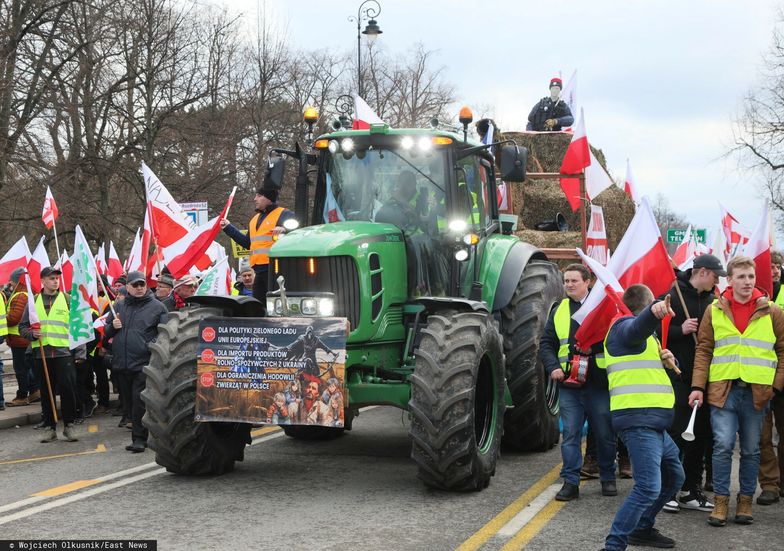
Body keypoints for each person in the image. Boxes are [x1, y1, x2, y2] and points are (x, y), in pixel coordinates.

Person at [690, 256, 784, 527]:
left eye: (751, 277)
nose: (747, 282)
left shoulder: (773, 312)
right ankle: (721, 501)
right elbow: (704, 349)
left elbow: (782, 351)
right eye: (741, 277)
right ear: (729, 280)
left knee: (753, 450)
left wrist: (776, 385)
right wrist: (698, 386)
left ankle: (745, 501)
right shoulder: (714, 310)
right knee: (722, 446)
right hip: (723, 390)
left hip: (758, 393)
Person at [602, 285, 684, 551]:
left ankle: (642, 528)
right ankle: (614, 546)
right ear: (648, 303)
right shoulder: (622, 328)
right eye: (654, 303)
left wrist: (668, 362)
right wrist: (654, 313)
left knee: (674, 478)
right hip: (639, 422)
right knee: (648, 487)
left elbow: (646, 372)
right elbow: (635, 329)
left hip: (654, 422)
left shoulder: (648, 339)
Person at [540, 263, 617, 501]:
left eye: (574, 281)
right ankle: (571, 482)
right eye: (566, 281)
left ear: (588, 282)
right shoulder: (560, 309)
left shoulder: (603, 308)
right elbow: (547, 343)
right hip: (569, 384)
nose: (569, 285)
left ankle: (607, 477)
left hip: (598, 383)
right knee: (571, 434)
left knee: (604, 433)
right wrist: (553, 367)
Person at [659, 254, 723, 514]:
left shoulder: (713, 300)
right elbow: (655, 332)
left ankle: (690, 490)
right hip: (677, 376)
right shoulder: (671, 294)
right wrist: (679, 329)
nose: (718, 281)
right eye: (716, 275)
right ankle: (667, 490)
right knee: (676, 432)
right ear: (703, 272)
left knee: (700, 435)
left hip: (705, 378)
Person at [103, 270, 168, 453]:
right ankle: (139, 435)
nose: (139, 288)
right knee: (128, 403)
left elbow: (164, 335)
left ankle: (140, 439)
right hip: (121, 363)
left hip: (144, 363)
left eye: (142, 284)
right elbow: (106, 333)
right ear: (128, 287)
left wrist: (149, 346)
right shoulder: (119, 306)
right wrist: (111, 327)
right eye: (135, 285)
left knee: (139, 400)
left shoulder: (158, 307)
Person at [18, 266, 84, 443]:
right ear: (43, 281)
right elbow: (22, 327)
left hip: (64, 353)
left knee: (67, 390)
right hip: (41, 354)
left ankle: (69, 425)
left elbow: (78, 327)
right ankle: (49, 427)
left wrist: (80, 353)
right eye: (51, 278)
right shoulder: (34, 302)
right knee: (46, 393)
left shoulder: (68, 299)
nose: (55, 281)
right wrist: (31, 334)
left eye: (57, 278)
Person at [220, 187, 295, 305]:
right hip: (258, 271)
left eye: (259, 196)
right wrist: (229, 228)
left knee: (277, 306)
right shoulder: (254, 219)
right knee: (258, 306)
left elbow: (299, 231)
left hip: (276, 270)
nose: (255, 199)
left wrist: (286, 229)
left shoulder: (284, 214)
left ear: (269, 199)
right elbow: (247, 243)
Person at [757, 251, 784, 505]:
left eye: (777, 266)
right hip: (761, 376)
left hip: (782, 373)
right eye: (770, 266)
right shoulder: (753, 296)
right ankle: (769, 485)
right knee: (763, 435)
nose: (774, 270)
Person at [4, 267, 40, 407]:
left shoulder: (20, 295)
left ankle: (22, 395)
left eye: (12, 282)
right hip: (22, 339)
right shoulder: (27, 294)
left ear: (17, 282)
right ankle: (34, 391)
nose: (10, 285)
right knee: (27, 367)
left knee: (21, 369)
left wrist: (2, 317)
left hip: (19, 340)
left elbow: (14, 318)